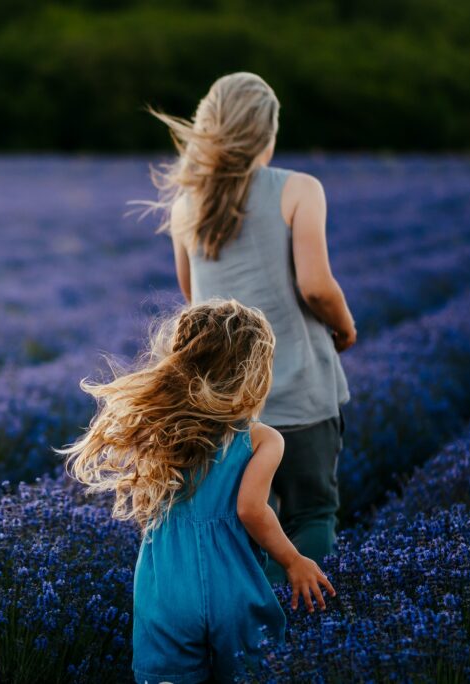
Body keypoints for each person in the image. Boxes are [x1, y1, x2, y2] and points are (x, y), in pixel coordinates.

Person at [142, 71, 355, 583]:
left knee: (242, 520)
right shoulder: (299, 189)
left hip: (223, 401)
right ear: (268, 132)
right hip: (300, 389)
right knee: (312, 515)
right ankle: (293, 632)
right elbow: (317, 287)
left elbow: (197, 305)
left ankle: (244, 627)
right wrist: (344, 329)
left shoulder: (188, 203)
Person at [58, 299, 336, 684]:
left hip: (168, 586)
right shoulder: (261, 439)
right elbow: (251, 510)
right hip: (234, 586)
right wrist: (292, 561)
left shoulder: (157, 428)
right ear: (253, 372)